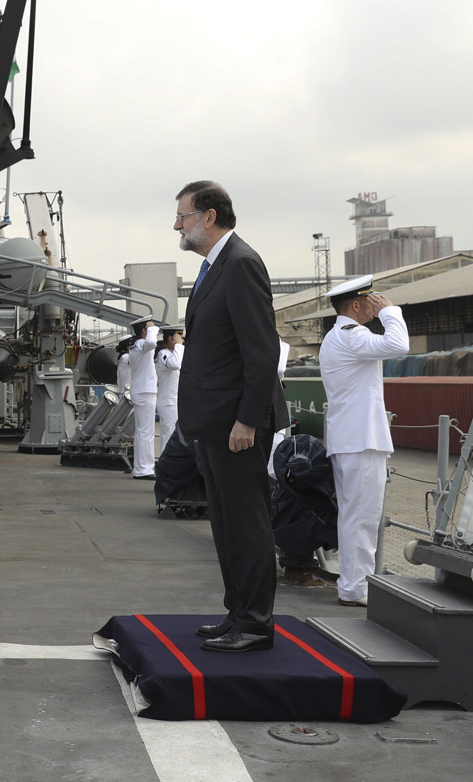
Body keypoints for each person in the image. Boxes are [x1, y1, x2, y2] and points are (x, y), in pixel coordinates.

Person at [174, 180, 287, 653]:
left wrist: (249, 419)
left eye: (182, 216)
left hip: (236, 424)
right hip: (213, 421)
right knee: (224, 522)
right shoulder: (213, 267)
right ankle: (237, 612)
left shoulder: (240, 264)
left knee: (247, 521)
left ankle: (257, 623)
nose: (176, 225)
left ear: (209, 217)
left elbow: (260, 353)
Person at [319, 275, 409, 607]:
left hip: (352, 438)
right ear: (356, 304)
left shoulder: (337, 336)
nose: (376, 303)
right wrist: (391, 312)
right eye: (371, 300)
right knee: (362, 516)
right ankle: (356, 588)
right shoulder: (352, 335)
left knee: (355, 514)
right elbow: (399, 346)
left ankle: (354, 582)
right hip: (360, 439)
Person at [127, 316, 160, 479]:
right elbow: (152, 343)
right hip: (144, 391)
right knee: (146, 432)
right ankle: (143, 469)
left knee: (144, 432)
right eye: (150, 328)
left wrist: (150, 328)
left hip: (143, 391)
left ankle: (142, 468)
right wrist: (153, 328)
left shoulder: (136, 345)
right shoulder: (140, 344)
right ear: (144, 331)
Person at [154, 325, 184, 447]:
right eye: (180, 338)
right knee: (169, 438)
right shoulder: (163, 354)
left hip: (176, 402)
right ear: (172, 338)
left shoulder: (175, 353)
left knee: (178, 438)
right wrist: (178, 345)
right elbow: (175, 364)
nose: (182, 341)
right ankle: (165, 464)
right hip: (168, 403)